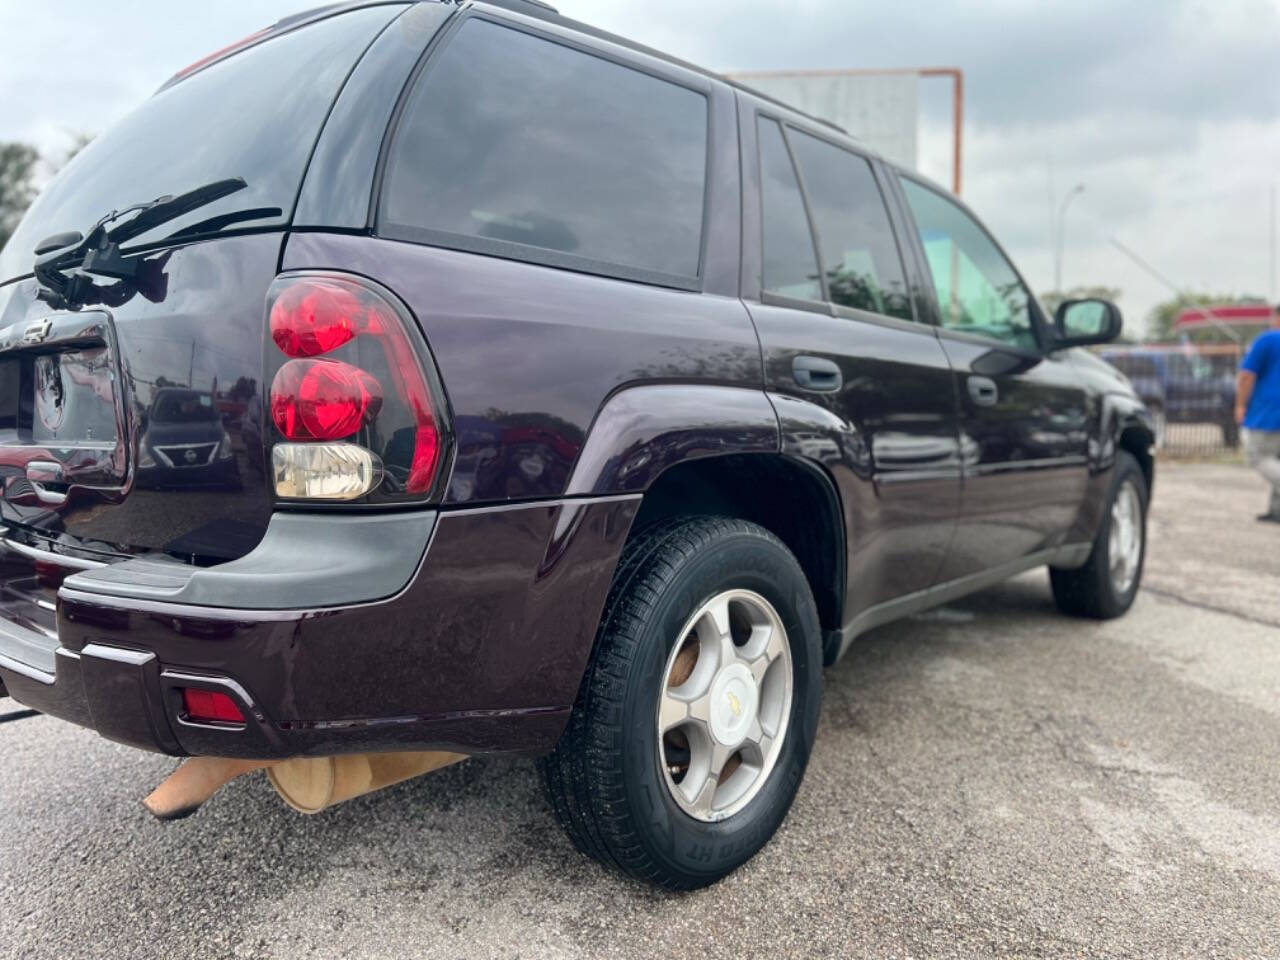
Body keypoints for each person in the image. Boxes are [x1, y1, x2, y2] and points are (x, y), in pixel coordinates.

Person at [1236, 303, 1280, 522]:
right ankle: (1277, 511)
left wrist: (1240, 404)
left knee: (1258, 456)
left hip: (1270, 410)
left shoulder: (1268, 339)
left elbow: (1247, 375)